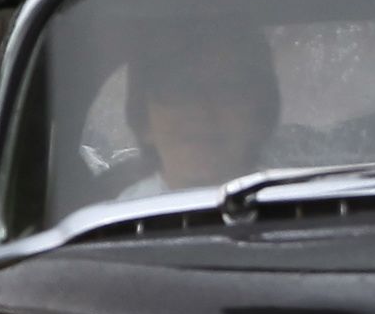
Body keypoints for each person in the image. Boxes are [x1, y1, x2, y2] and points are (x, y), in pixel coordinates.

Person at [115, 20, 284, 198]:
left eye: (226, 88)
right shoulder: (115, 220)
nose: (201, 110)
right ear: (143, 119)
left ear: (260, 116)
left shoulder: (297, 213)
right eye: (178, 89)